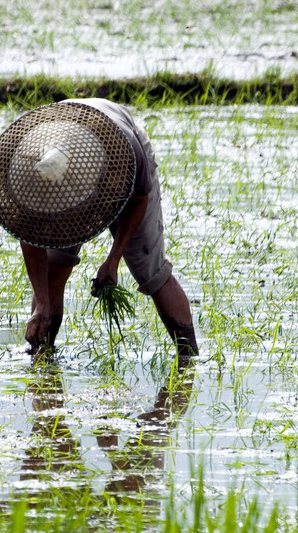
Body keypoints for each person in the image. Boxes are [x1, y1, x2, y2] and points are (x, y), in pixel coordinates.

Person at [16, 98, 198, 360]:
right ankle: (41, 353)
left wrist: (113, 260)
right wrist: (41, 302)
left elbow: (137, 200)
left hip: (119, 162)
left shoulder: (123, 150)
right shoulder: (31, 170)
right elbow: (29, 235)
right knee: (55, 267)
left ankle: (188, 357)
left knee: (152, 271)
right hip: (62, 156)